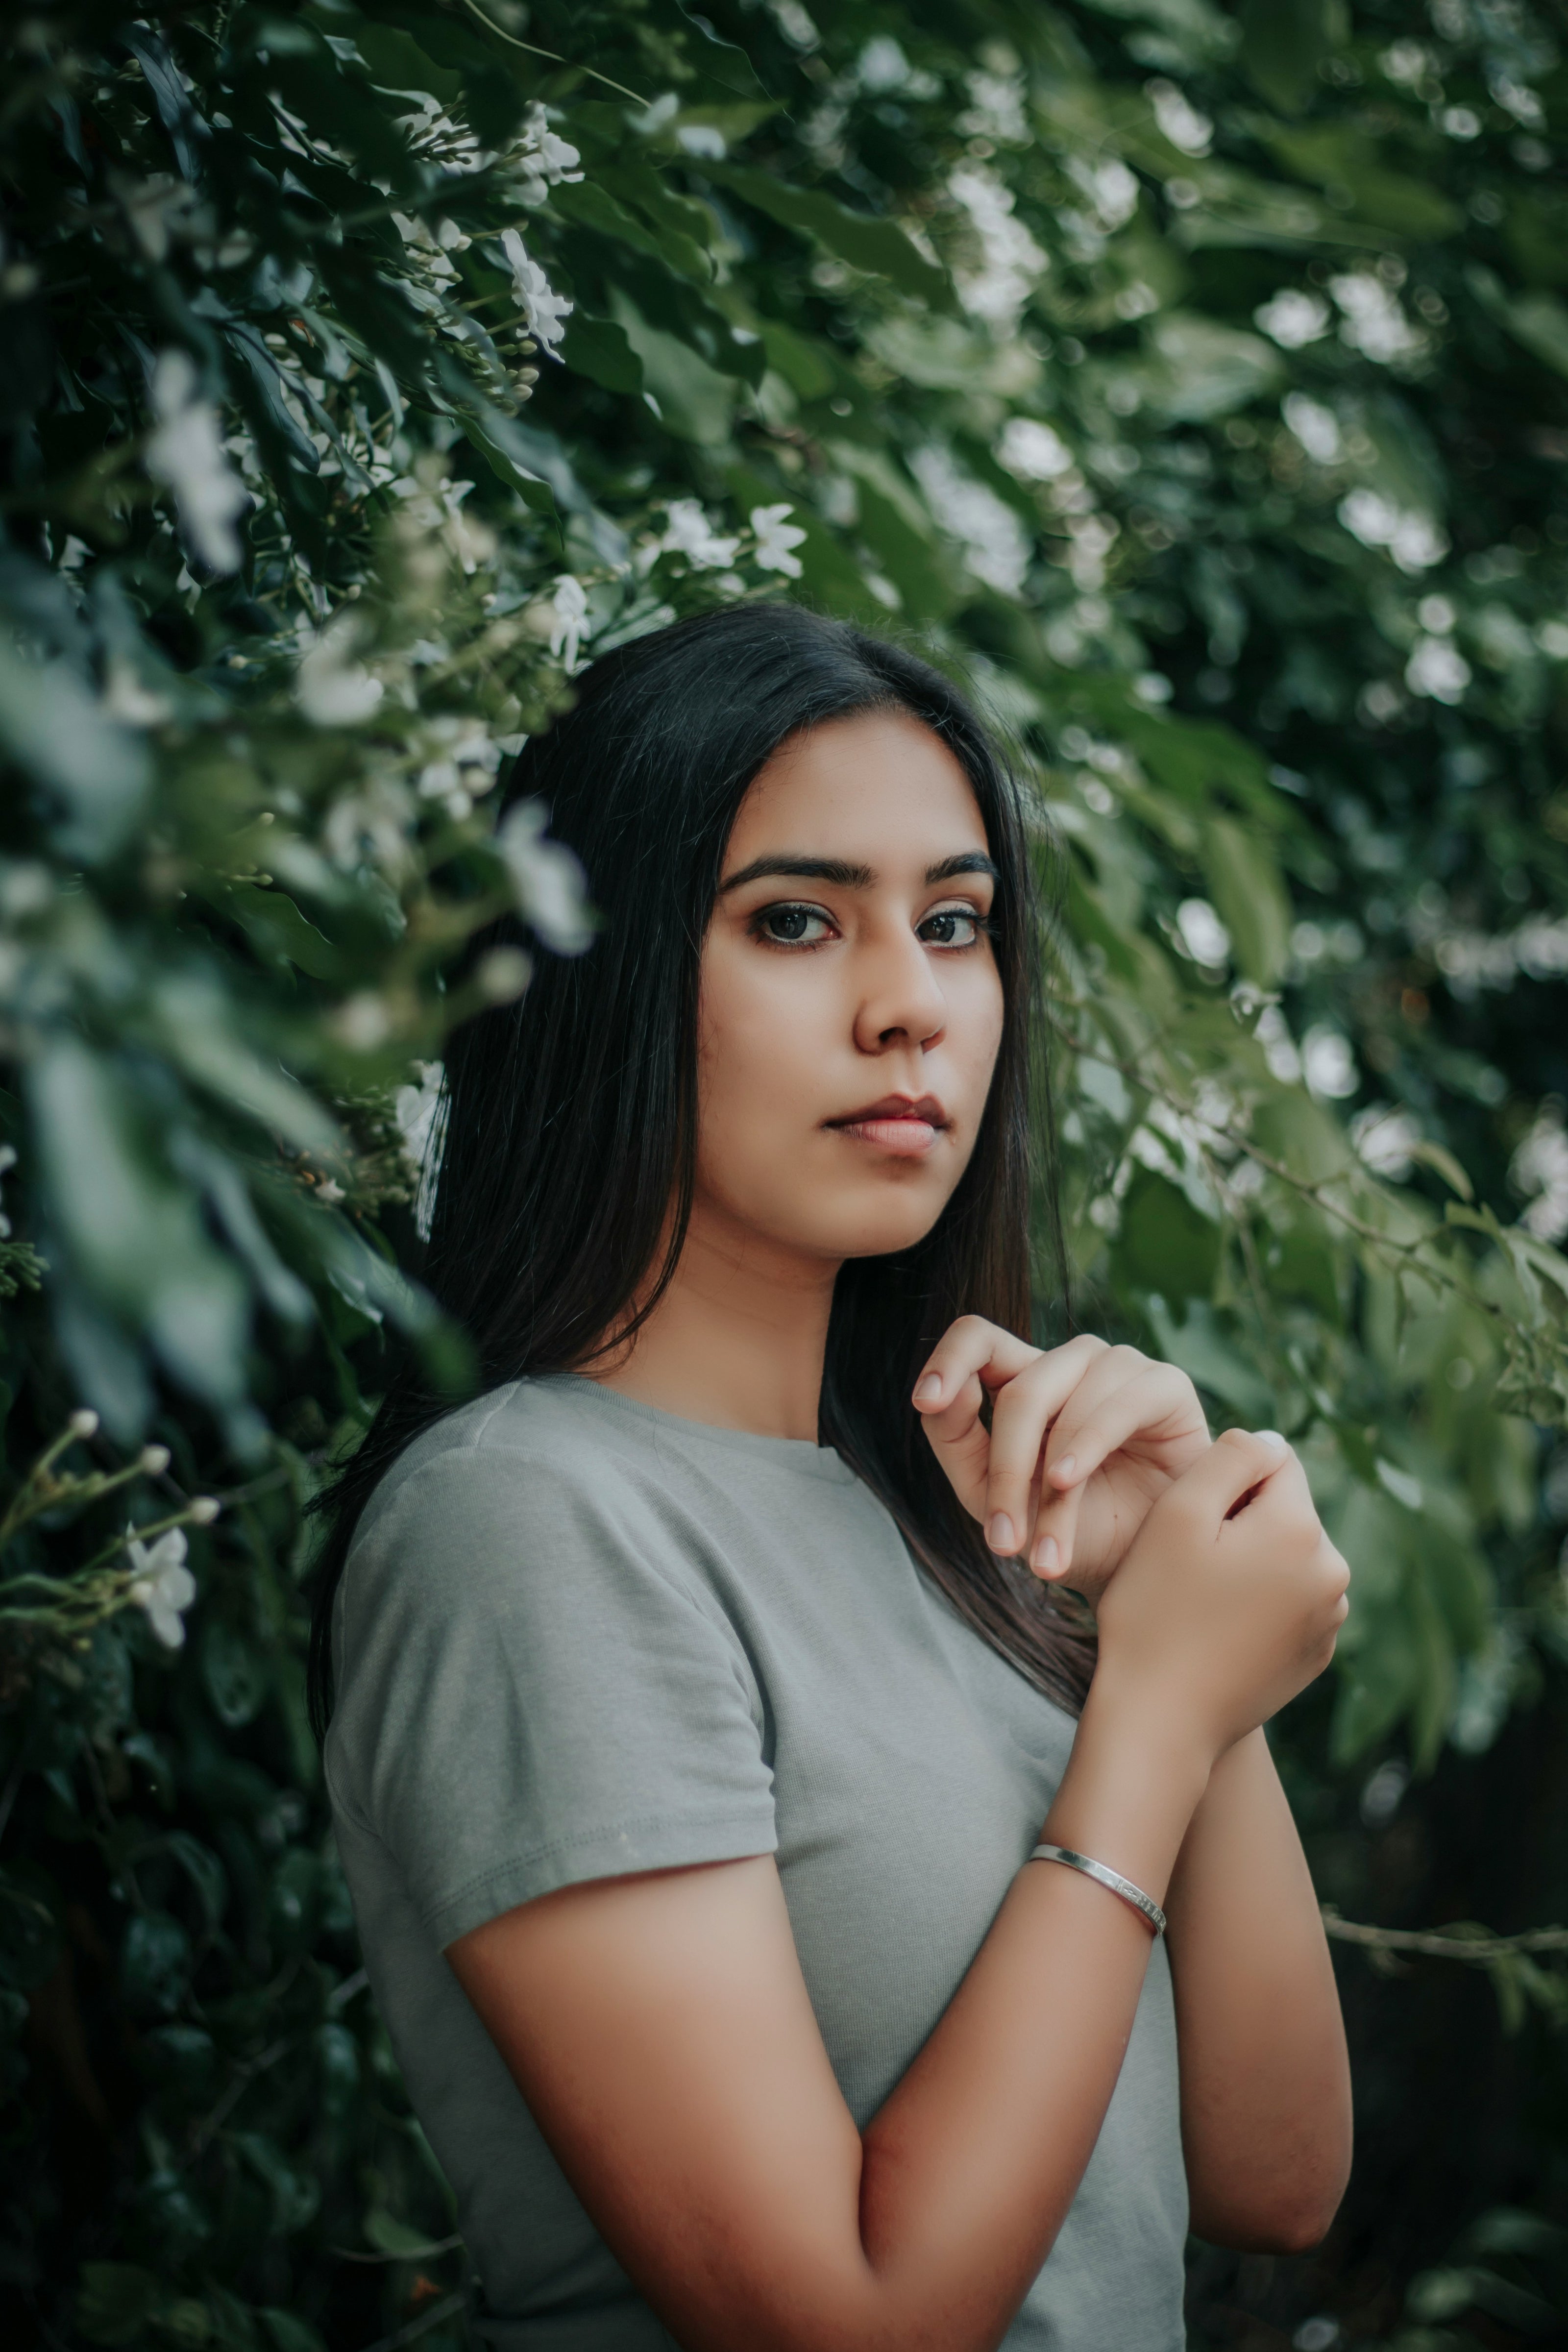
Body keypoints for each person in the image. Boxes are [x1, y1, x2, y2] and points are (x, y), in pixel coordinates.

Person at [311, 603, 1352, 2352]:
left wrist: (1174, 1621)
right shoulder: (527, 1523)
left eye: (955, 924)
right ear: (603, 963)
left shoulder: (955, 1511)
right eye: (796, 921)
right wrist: (1156, 1717)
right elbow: (840, 2324)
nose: (913, 1010)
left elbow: (1273, 2179)